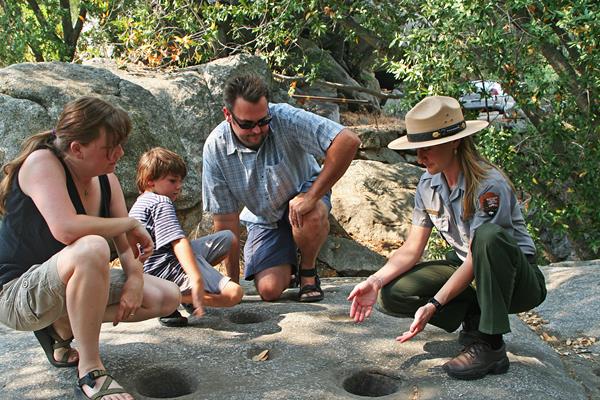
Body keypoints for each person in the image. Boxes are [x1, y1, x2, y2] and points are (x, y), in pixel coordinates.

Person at [347, 96, 546, 380]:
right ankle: (474, 317)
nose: (420, 157)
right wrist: (375, 281)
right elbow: (412, 248)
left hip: (514, 281)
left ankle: (490, 343)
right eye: (417, 149)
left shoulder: (489, 185)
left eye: (426, 147)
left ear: (455, 142)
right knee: (393, 295)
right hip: (468, 268)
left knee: (488, 237)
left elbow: (481, 255)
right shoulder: (428, 184)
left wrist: (435, 304)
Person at [0, 97, 181, 400]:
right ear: (76, 149)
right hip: (16, 292)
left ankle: (62, 327)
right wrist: (126, 224)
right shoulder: (43, 163)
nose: (120, 154)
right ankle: (91, 368)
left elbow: (127, 248)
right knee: (92, 247)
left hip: (62, 285)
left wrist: (135, 279)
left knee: (166, 296)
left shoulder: (106, 179)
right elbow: (66, 228)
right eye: (110, 147)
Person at [202, 73, 361, 302]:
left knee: (309, 214)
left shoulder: (285, 117)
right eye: (247, 125)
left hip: (304, 195)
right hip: (265, 218)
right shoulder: (215, 148)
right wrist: (231, 286)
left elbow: (348, 140)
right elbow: (226, 222)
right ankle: (289, 260)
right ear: (228, 115)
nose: (256, 130)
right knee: (269, 290)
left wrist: (311, 196)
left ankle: (308, 271)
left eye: (263, 121)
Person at [129, 147, 244, 327]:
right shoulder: (161, 202)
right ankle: (171, 298)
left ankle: (184, 294)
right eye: (172, 181)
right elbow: (178, 242)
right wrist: (196, 278)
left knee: (227, 238)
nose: (179, 186)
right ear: (150, 182)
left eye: (180, 181)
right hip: (163, 269)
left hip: (151, 267)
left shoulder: (141, 201)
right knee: (233, 295)